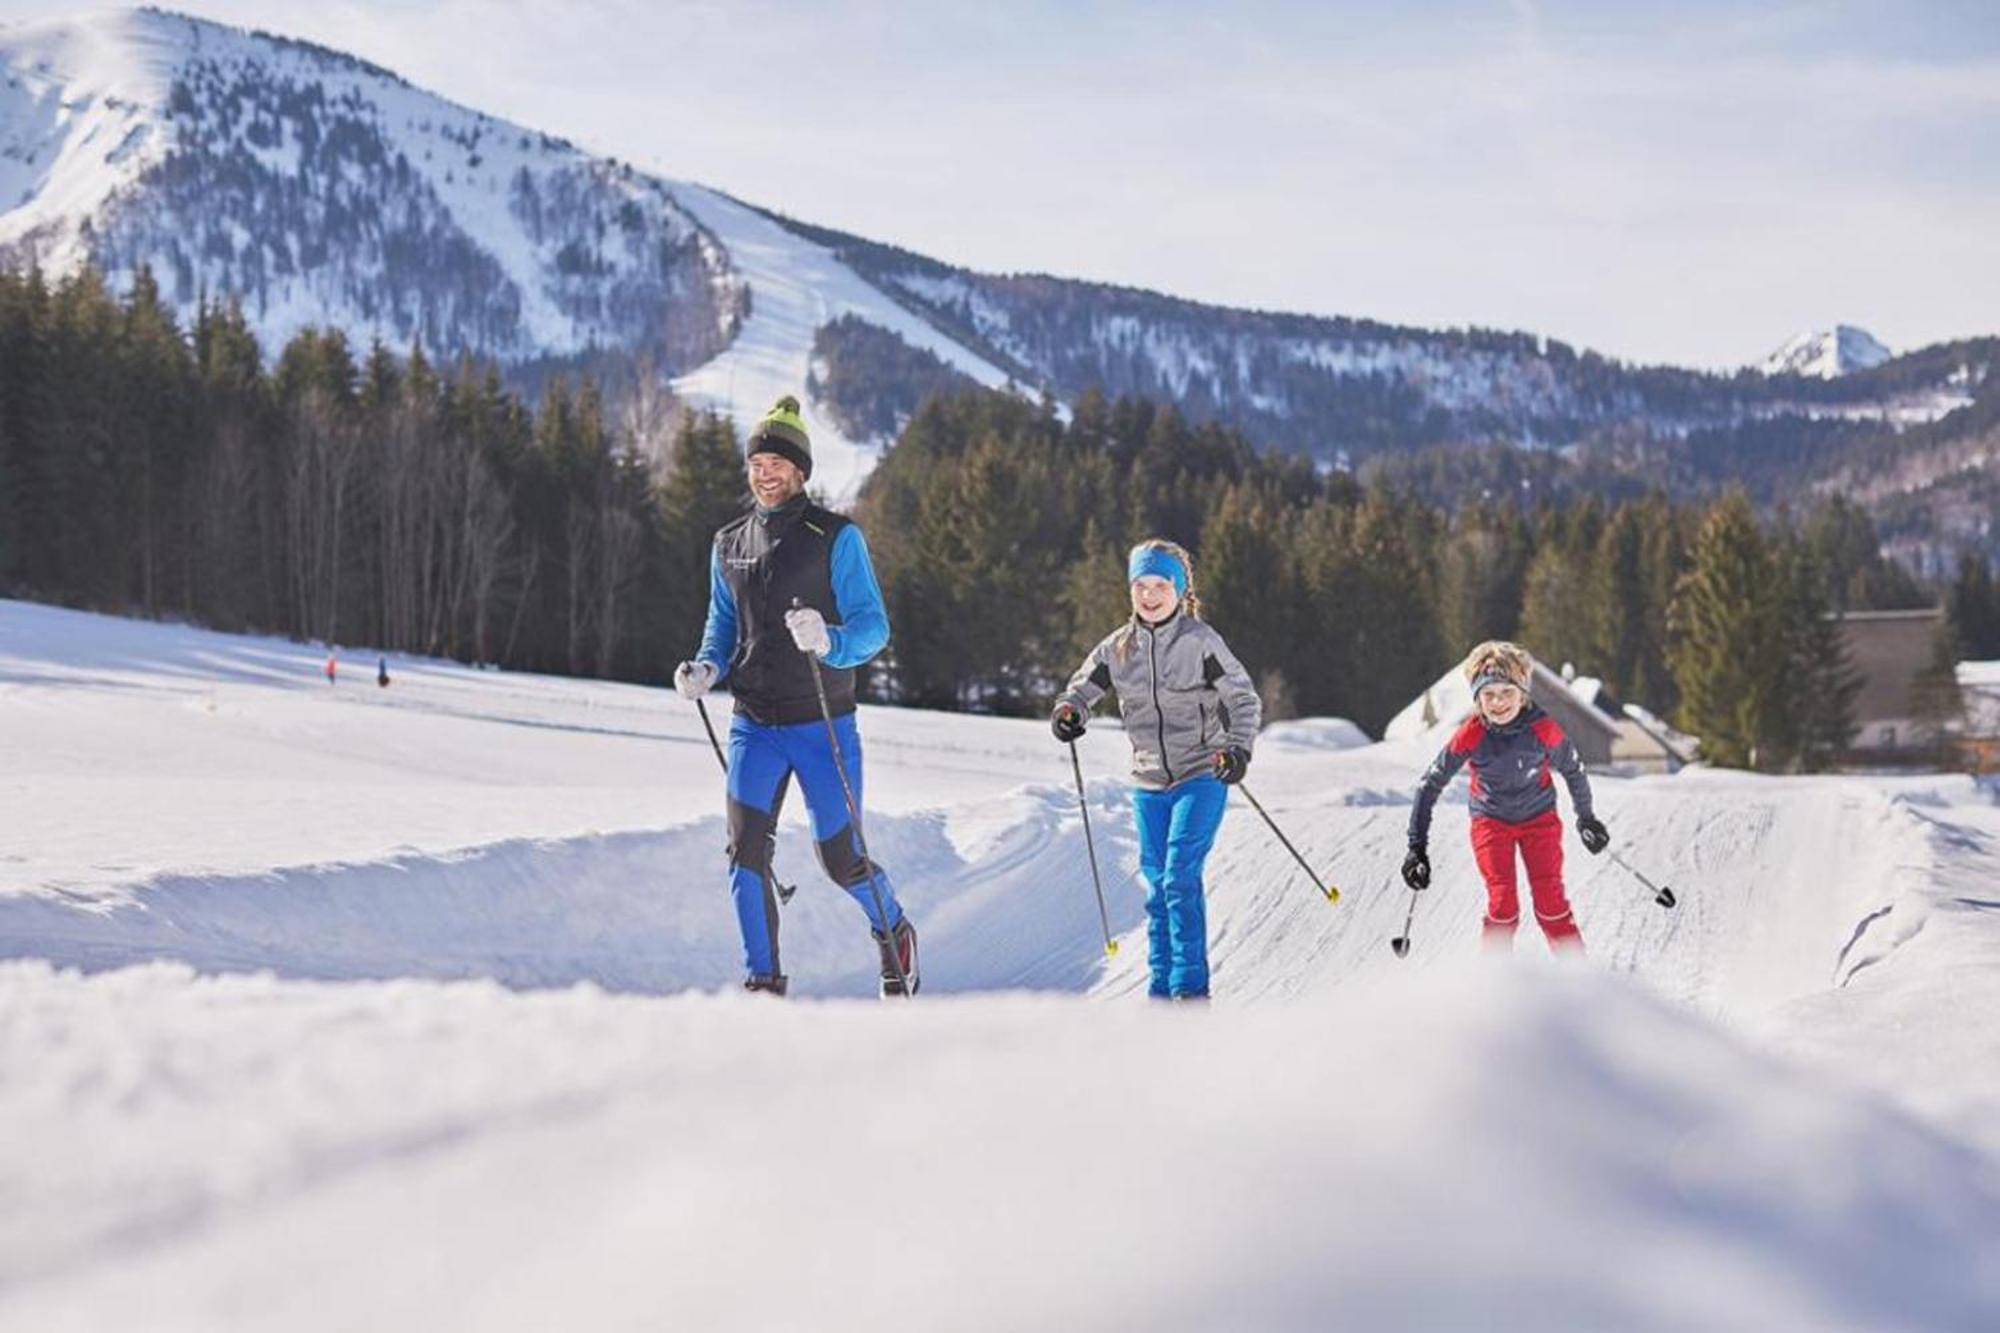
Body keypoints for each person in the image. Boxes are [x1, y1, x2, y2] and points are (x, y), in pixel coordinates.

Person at [673, 395, 917, 998]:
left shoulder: (836, 536)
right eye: (757, 461)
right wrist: (706, 667)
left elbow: (873, 626)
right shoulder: (728, 542)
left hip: (822, 724)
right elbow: (722, 626)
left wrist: (830, 639)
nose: (765, 472)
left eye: (778, 462)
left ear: (800, 470)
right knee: (745, 853)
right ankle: (763, 984)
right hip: (753, 723)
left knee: (840, 858)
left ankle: (894, 932)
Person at [1051, 539, 1260, 1001]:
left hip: (1202, 773)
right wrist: (1070, 711)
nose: (1148, 595)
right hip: (1148, 781)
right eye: (1140, 585)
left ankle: (1190, 991)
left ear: (1179, 589)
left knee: (1180, 874)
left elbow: (1242, 699)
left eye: (1159, 585)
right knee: (1157, 885)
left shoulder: (1200, 642)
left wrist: (1236, 748)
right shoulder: (1117, 649)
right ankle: (1160, 991)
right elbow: (1081, 691)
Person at [1403, 641, 1610, 952]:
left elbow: (1573, 769)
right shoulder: (1471, 733)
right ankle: (1494, 985)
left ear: (1522, 693)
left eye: (1507, 693)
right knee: (1503, 907)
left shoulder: (1542, 728)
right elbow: (1429, 785)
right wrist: (1416, 847)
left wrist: (1587, 817)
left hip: (1539, 820)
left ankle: (1579, 979)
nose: (1498, 702)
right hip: (1490, 823)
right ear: (1477, 697)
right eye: (1488, 694)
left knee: (1551, 904)